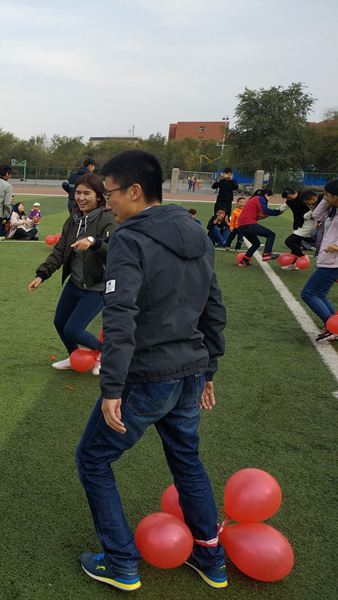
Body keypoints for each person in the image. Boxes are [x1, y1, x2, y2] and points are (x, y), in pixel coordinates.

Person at [75, 150, 228, 592]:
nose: (107, 203)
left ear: (135, 191)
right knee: (187, 460)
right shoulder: (196, 232)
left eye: (110, 194)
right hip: (190, 372)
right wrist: (209, 369)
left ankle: (121, 563)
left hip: (148, 376)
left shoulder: (130, 237)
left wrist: (112, 387)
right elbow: (214, 308)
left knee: (93, 459)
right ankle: (211, 557)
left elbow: (119, 313)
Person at [28, 173, 117, 376]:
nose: (81, 198)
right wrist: (42, 274)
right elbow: (60, 251)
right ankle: (74, 356)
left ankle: (104, 353)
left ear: (98, 196)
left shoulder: (107, 218)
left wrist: (93, 242)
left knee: (73, 329)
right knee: (60, 323)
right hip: (75, 284)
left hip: (96, 287)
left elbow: (115, 248)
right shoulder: (73, 220)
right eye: (78, 193)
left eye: (87, 193)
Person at [301, 181, 338, 340]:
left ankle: (332, 327)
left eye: (327, 195)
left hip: (334, 261)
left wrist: (336, 245)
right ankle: (333, 326)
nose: (324, 197)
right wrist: (327, 200)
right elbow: (317, 215)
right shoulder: (333, 209)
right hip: (328, 259)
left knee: (308, 293)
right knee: (320, 293)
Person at [236, 188, 288, 266]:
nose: (268, 200)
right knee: (271, 234)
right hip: (249, 224)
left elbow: (255, 214)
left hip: (241, 226)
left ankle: (244, 260)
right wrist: (278, 212)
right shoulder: (260, 198)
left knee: (256, 243)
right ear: (266, 194)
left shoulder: (252, 199)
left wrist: (261, 216)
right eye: (269, 198)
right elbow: (264, 210)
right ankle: (267, 253)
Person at [283, 190, 319, 266]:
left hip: (308, 225)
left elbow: (310, 215)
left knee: (289, 241)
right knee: (296, 243)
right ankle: (293, 264)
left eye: (307, 202)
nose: (307, 204)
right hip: (302, 224)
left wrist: (306, 216)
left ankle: (303, 257)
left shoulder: (317, 204)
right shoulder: (293, 202)